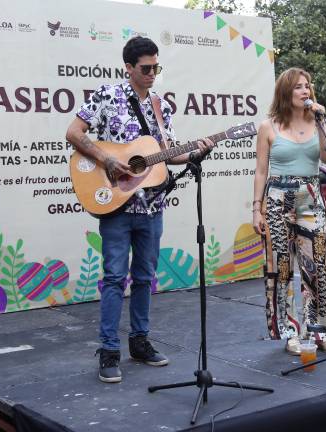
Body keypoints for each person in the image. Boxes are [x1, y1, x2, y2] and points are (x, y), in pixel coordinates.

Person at [66, 36, 214, 383]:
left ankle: (140, 342)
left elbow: (168, 153)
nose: (151, 74)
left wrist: (197, 151)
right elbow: (74, 132)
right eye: (146, 68)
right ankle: (108, 350)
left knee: (145, 278)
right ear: (129, 67)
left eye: (156, 68)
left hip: (152, 206)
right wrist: (108, 160)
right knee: (115, 278)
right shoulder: (107, 95)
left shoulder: (161, 107)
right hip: (117, 206)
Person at [251, 67, 326, 356]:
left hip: (311, 197)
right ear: (286, 92)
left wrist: (322, 123)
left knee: (317, 266)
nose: (305, 91)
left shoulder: (317, 121)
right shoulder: (269, 126)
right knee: (282, 267)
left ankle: (319, 331)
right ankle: (289, 332)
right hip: (278, 198)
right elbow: (261, 171)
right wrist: (257, 209)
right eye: (298, 87)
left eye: (307, 86)